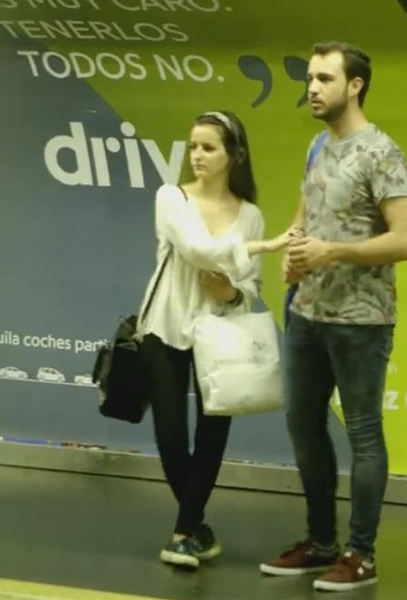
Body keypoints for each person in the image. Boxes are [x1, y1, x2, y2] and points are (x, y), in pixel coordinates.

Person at [260, 41, 407, 592]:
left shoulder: (382, 153)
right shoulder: (316, 146)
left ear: (354, 86)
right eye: (309, 78)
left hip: (361, 320)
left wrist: (332, 251)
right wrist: (294, 251)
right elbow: (304, 217)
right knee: (303, 425)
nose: (312, 88)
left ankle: (362, 555)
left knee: (364, 436)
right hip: (306, 312)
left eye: (324, 79)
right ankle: (321, 544)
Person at [136, 110, 287, 569]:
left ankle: (184, 533)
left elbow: (252, 286)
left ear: (234, 155)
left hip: (222, 333)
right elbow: (197, 250)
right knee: (170, 437)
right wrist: (261, 246)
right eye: (194, 146)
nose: (197, 155)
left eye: (209, 147)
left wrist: (231, 292)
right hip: (165, 326)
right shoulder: (171, 197)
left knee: (212, 436)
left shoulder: (251, 214)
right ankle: (196, 525)